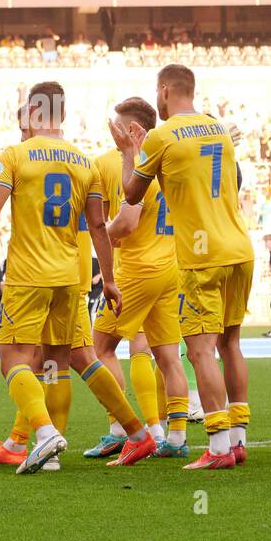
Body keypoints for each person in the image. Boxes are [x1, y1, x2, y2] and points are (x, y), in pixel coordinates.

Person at [0, 81, 153, 474]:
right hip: (70, 275)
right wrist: (107, 278)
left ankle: (44, 435)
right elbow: (97, 224)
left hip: (29, 275)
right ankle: (132, 433)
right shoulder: (84, 161)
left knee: (12, 360)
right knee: (62, 361)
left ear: (34, 111)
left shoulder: (15, 155)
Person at [116, 65, 255, 470]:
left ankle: (217, 447)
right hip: (239, 247)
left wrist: (131, 152)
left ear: (163, 90)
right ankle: (239, 438)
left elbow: (131, 194)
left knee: (199, 350)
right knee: (231, 344)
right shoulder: (217, 129)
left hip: (202, 256)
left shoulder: (161, 136)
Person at [86, 97, 191, 459]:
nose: (111, 132)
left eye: (117, 126)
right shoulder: (171, 159)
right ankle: (176, 437)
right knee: (167, 355)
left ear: (132, 130)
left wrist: (102, 236)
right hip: (169, 266)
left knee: (99, 349)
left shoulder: (122, 163)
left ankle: (122, 429)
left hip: (136, 269)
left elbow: (126, 224)